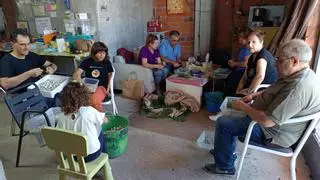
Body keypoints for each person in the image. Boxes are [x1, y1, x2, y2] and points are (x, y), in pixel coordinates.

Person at [204, 39, 320, 175]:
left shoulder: (298, 88)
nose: (276, 64)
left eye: (280, 60)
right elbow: (275, 88)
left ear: (295, 61)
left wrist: (243, 106)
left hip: (272, 134)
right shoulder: (299, 74)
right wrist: (254, 95)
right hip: (270, 123)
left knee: (224, 123)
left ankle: (224, 166)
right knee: (230, 115)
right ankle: (224, 150)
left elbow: (267, 121)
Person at [56, 81, 108, 162]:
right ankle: (105, 155)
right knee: (100, 130)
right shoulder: (88, 111)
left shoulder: (60, 116)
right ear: (84, 96)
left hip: (73, 156)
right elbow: (105, 121)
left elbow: (59, 134)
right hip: (91, 155)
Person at [73, 41, 114, 112]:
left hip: (101, 87)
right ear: (94, 53)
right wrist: (84, 85)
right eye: (100, 53)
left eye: (104, 53)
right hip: (88, 87)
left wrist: (108, 89)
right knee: (73, 97)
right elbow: (76, 75)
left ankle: (101, 117)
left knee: (94, 100)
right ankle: (83, 117)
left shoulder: (107, 62)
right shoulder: (87, 62)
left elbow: (110, 76)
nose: (102, 55)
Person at [236, 30, 277, 96]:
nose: (250, 45)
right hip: (251, 87)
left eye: (253, 42)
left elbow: (260, 76)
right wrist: (238, 89)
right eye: (248, 42)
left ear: (261, 42)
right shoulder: (252, 57)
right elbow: (244, 76)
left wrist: (248, 92)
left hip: (262, 90)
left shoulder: (262, 57)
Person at [224, 28, 251, 96]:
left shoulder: (247, 49)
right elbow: (239, 57)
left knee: (231, 88)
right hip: (237, 70)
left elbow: (246, 64)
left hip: (241, 73)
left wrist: (234, 63)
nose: (239, 40)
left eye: (240, 38)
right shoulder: (243, 48)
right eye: (239, 37)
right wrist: (234, 60)